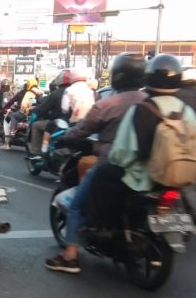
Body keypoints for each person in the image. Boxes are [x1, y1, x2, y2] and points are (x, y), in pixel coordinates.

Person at [44, 52, 148, 274]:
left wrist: (63, 138)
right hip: (147, 167)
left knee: (76, 205)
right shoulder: (151, 102)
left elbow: (81, 130)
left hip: (111, 165)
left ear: (117, 75)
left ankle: (70, 256)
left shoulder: (108, 104)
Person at [0, 79, 42, 150]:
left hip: (24, 113)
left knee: (11, 117)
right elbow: (34, 102)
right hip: (33, 114)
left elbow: (20, 103)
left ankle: (10, 135)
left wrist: (4, 108)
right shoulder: (39, 93)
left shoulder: (26, 93)